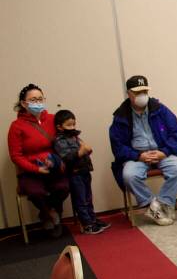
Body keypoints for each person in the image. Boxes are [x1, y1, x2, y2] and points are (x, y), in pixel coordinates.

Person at [109, 75, 177, 226]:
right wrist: (139, 156)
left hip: (162, 152)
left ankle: (163, 203)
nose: (142, 95)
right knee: (129, 176)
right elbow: (118, 146)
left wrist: (163, 152)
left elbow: (176, 134)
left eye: (144, 91)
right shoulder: (121, 116)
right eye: (138, 92)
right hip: (137, 156)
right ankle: (153, 206)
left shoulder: (161, 110)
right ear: (129, 94)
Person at [7, 84, 69, 238]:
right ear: (23, 103)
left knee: (63, 187)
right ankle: (49, 214)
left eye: (40, 99)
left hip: (54, 168)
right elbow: (16, 156)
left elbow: (65, 141)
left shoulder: (54, 119)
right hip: (31, 171)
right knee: (35, 192)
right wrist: (35, 169)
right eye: (33, 100)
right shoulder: (16, 127)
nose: (38, 102)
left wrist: (60, 162)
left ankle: (51, 212)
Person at [53, 109, 109, 235]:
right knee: (81, 199)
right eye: (68, 125)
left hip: (84, 170)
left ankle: (92, 219)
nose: (72, 127)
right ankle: (87, 224)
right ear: (59, 127)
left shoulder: (75, 137)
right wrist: (81, 152)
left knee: (88, 197)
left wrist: (87, 151)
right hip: (74, 173)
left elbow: (84, 150)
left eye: (73, 124)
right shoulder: (59, 140)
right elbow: (66, 157)